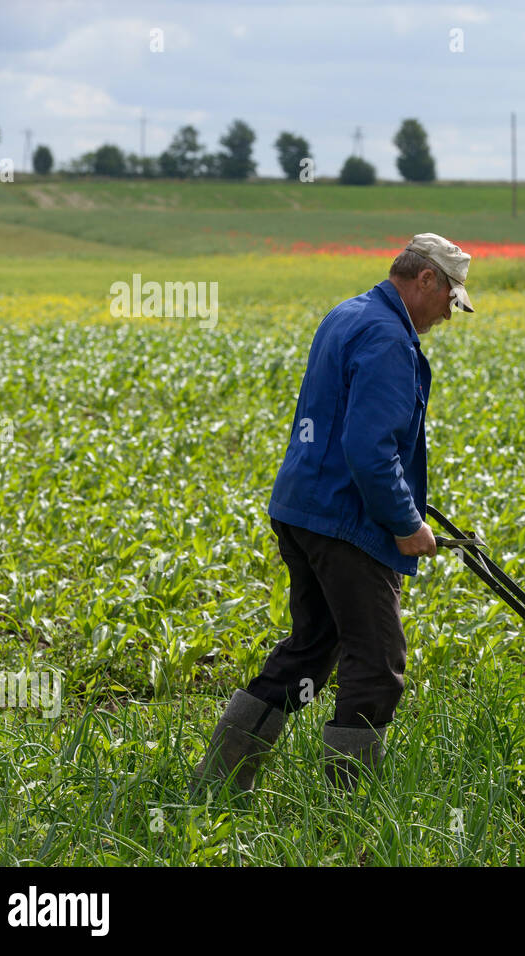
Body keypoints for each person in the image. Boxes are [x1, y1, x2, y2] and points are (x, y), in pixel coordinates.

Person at [189, 232, 475, 797]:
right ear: (426, 280)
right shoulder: (389, 338)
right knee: (377, 661)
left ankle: (219, 783)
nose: (450, 313)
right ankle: (351, 806)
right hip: (347, 520)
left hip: (303, 507)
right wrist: (405, 524)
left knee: (312, 648)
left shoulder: (348, 313)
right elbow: (371, 451)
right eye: (451, 298)